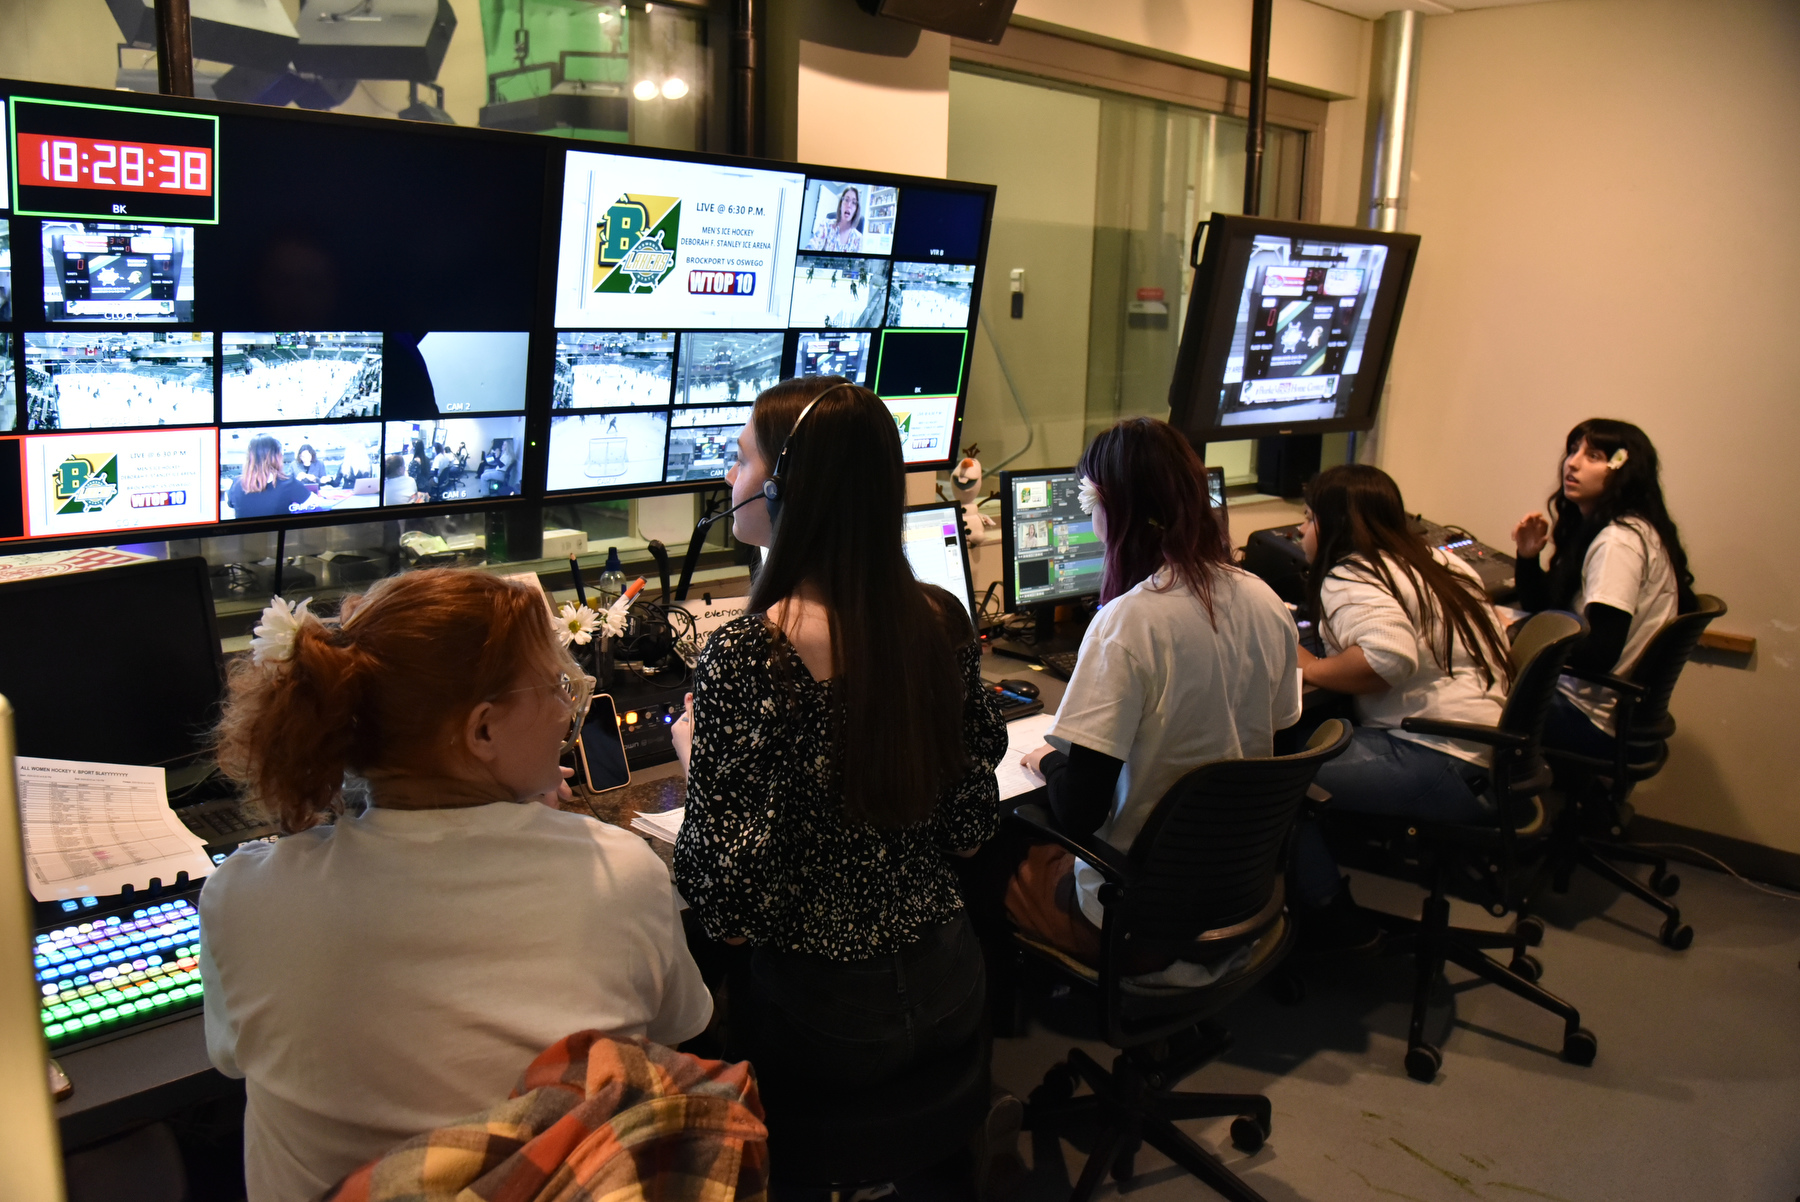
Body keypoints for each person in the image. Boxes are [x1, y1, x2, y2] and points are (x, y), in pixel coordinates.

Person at [200, 570, 711, 1202]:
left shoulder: (245, 897)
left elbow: (229, 1056)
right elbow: (671, 1035)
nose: (565, 707)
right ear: (483, 732)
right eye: (555, 686)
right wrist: (550, 840)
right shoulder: (620, 873)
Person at [669, 376, 1006, 1086]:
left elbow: (725, 911)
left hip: (824, 1020)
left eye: (742, 460)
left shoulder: (750, 656)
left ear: (787, 488)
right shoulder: (941, 622)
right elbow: (971, 831)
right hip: (953, 983)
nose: (730, 478)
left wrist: (699, 755)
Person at [1009, 418, 1301, 974]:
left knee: (1003, 856)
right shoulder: (1265, 600)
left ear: (1113, 511)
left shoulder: (1128, 624)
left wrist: (1049, 759)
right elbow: (1282, 748)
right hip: (1235, 889)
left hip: (1140, 911)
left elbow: (1079, 811)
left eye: (1091, 505)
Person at [1290, 464, 1514, 948]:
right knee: (1305, 744)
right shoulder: (1442, 562)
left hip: (1437, 757)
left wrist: (1309, 666)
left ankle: (1334, 919)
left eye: (1306, 520)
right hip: (1487, 754)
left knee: (1269, 785)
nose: (1303, 532)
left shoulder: (1350, 574)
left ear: (1327, 526)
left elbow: (1388, 656)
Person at [1511, 419, 1695, 757]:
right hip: (1601, 707)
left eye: (1593, 455)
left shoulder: (1618, 543)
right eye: (1572, 451)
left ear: (1623, 470)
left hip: (1586, 714)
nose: (1573, 463)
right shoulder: (1628, 528)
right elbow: (1547, 608)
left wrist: (1520, 636)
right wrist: (1528, 557)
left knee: (1460, 690)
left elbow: (1599, 654)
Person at [228, 436, 312, 519]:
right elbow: (314, 505)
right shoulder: (289, 483)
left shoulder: (236, 484)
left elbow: (233, 512)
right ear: (277, 457)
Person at [808, 185, 863, 253]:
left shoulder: (858, 238)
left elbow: (858, 262)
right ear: (840, 205)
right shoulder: (826, 225)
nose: (849, 205)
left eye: (854, 202)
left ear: (856, 209)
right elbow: (812, 247)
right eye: (846, 200)